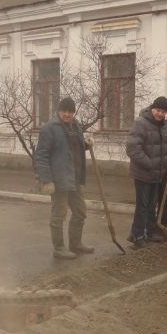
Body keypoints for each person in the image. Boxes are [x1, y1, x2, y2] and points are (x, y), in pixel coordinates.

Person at [35, 97, 95, 260]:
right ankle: (59, 248)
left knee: (80, 212)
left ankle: (75, 244)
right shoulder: (49, 128)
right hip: (59, 178)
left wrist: (86, 144)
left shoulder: (76, 126)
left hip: (75, 178)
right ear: (58, 111)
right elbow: (41, 155)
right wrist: (46, 180)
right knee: (58, 215)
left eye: (70, 111)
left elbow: (73, 146)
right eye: (64, 111)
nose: (67, 114)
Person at [126, 96, 167, 248]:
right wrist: (149, 163)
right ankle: (137, 235)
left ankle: (150, 232)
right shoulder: (141, 123)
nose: (160, 114)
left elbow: (164, 147)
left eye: (163, 111)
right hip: (143, 172)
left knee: (152, 204)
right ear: (152, 108)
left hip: (157, 173)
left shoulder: (163, 125)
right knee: (142, 205)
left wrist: (166, 163)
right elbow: (132, 148)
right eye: (158, 110)